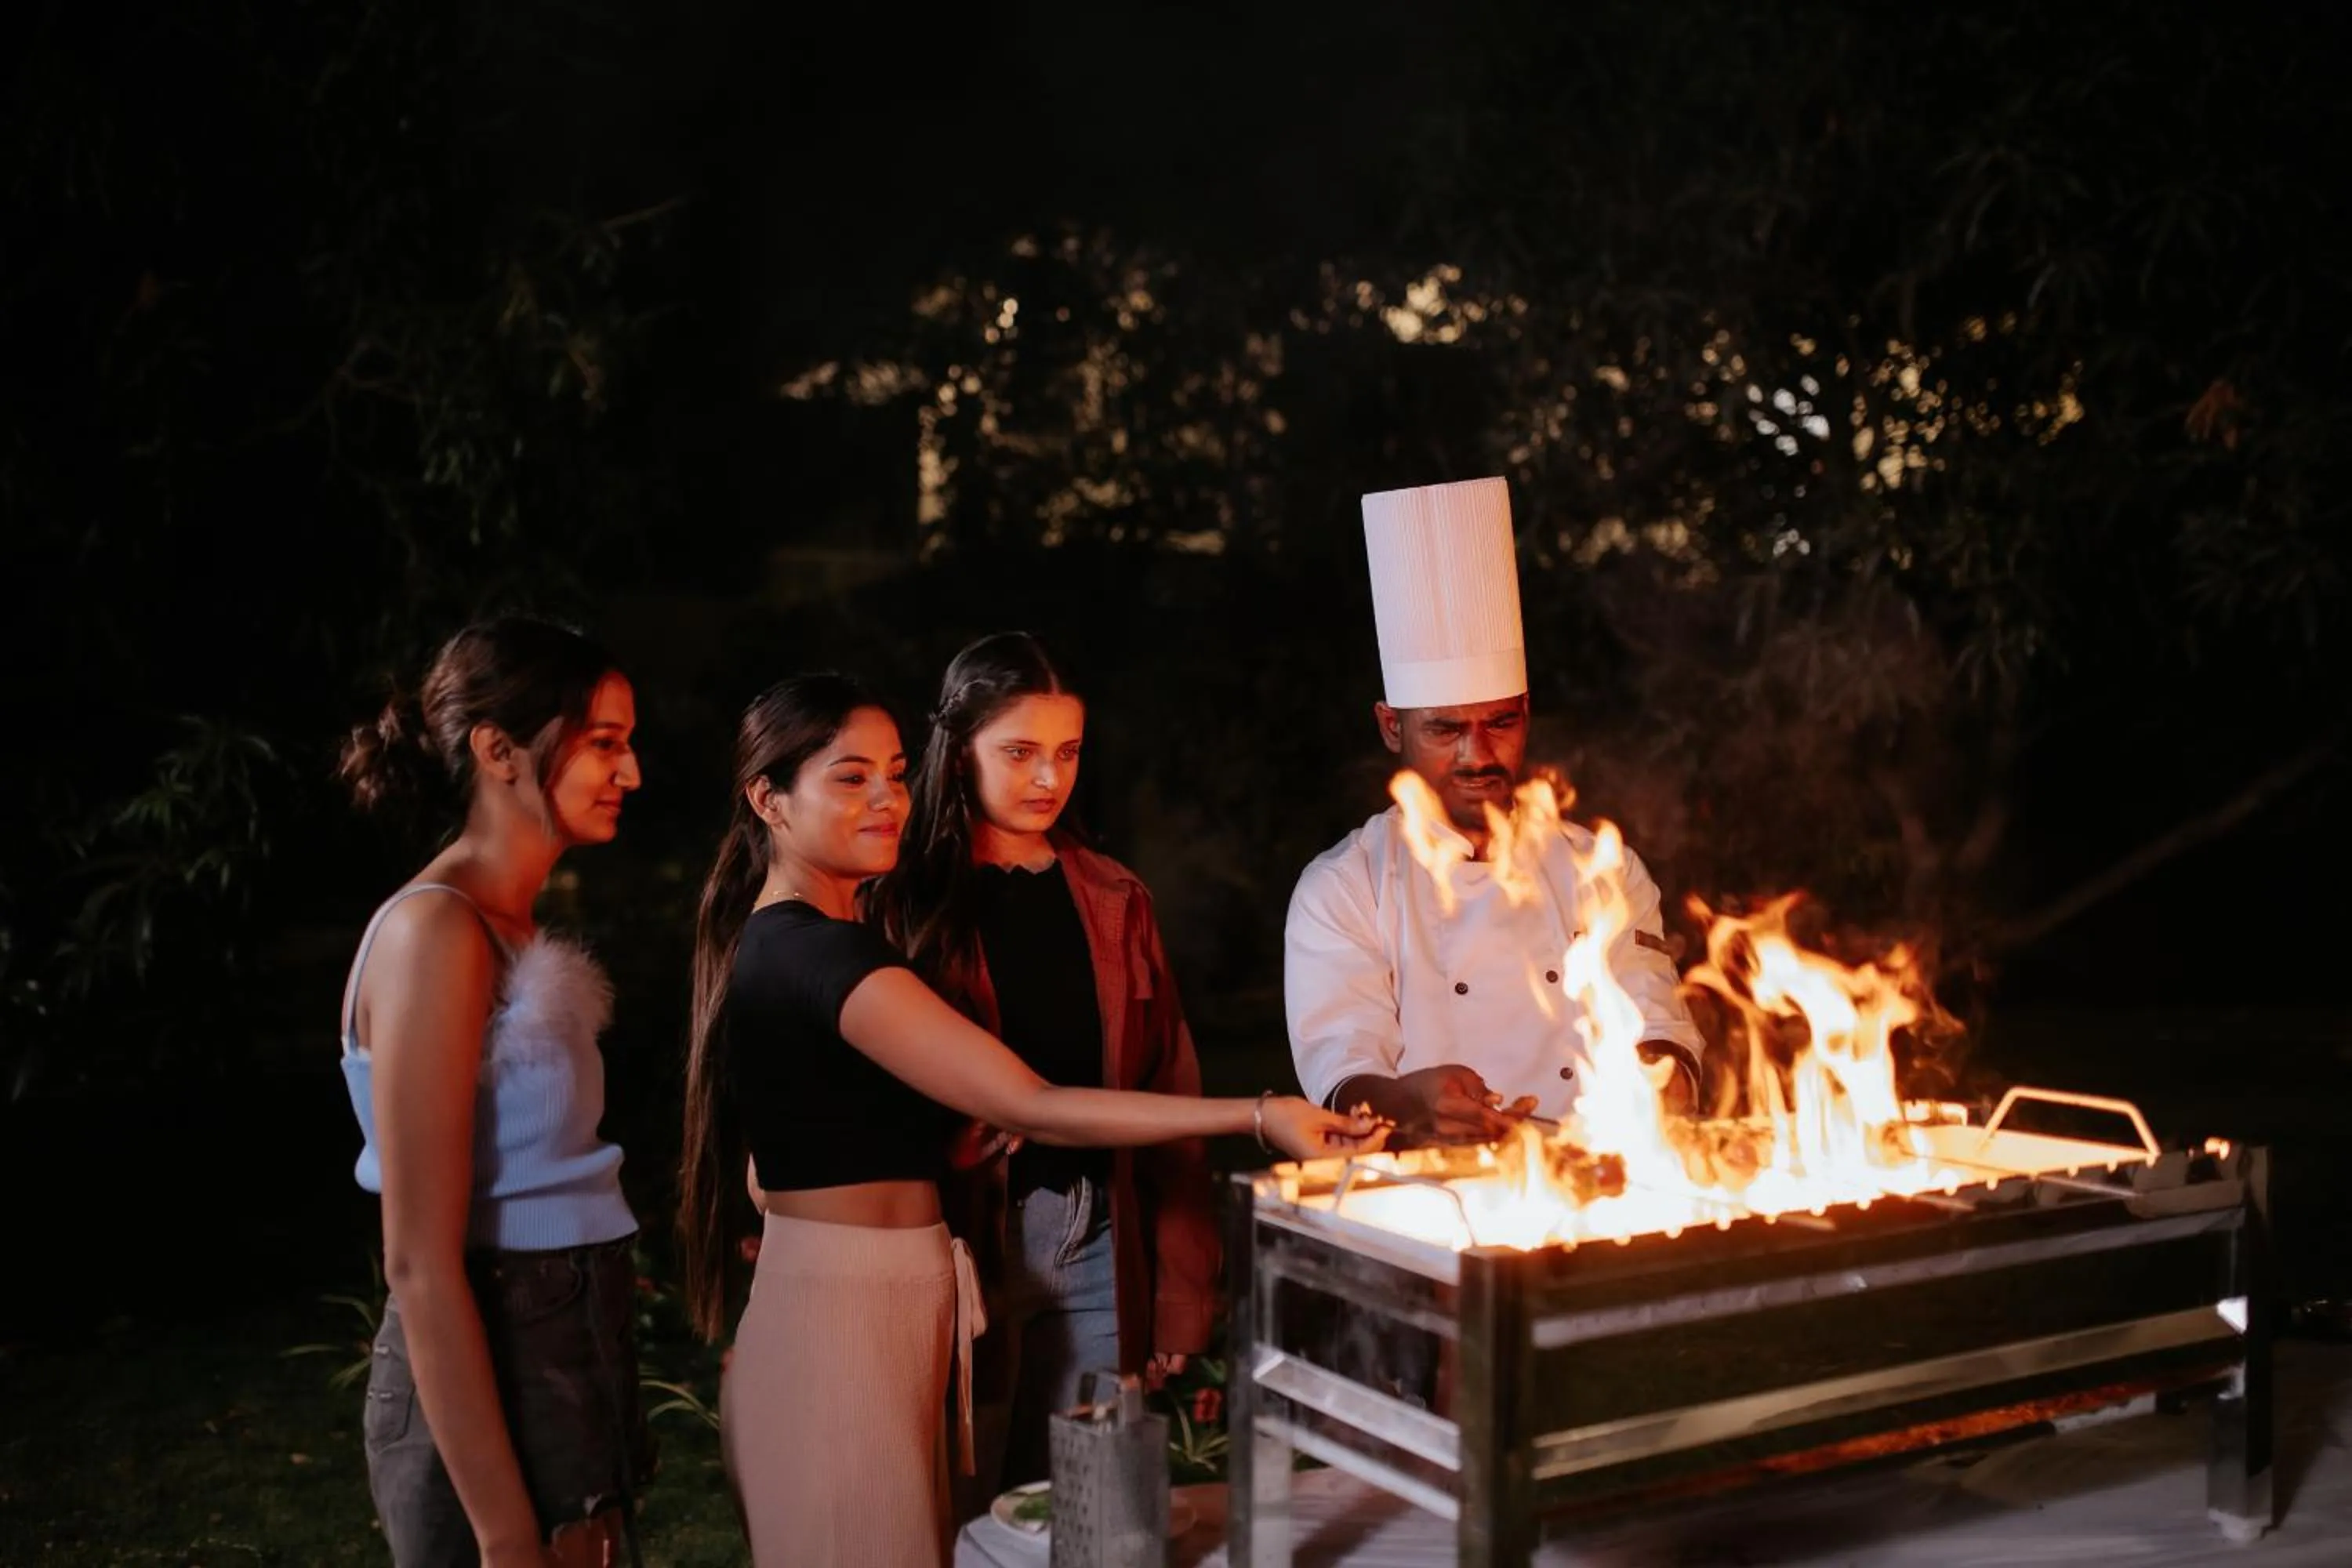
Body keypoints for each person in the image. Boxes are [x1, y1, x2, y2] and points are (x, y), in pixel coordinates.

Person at [676, 674, 1382, 1568]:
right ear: (768, 799)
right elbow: (1029, 1101)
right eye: (850, 779)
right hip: (842, 1320)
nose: (889, 797)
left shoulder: (813, 940)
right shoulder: (817, 949)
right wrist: (1260, 1111)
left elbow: (779, 1155)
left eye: (895, 772)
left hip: (875, 1298)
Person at [867, 632, 1217, 1516]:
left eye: (1065, 753)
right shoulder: (900, 898)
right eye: (1019, 752)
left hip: (1095, 1228)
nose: (1046, 778)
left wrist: (1183, 1279)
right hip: (960, 1236)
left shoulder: (1113, 895)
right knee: (964, 1497)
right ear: (959, 751)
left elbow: (1167, 1087)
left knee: (1096, 1502)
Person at [335, 618, 652, 1568]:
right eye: (604, 743)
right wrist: (507, 1534)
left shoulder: (512, 926)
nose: (630, 772)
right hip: (486, 1382)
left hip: (563, 1353)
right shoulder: (436, 930)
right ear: (498, 750)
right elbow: (421, 1261)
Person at [1285, 477, 1708, 1147]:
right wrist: (1408, 1102)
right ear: (1392, 726)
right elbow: (1344, 1070)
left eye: (1500, 722)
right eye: (1445, 729)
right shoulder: (1345, 886)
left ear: (1527, 713)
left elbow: (1656, 1016)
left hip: (1595, 1180)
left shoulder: (1601, 866)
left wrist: (1659, 1083)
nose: (1477, 755)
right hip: (1422, 1194)